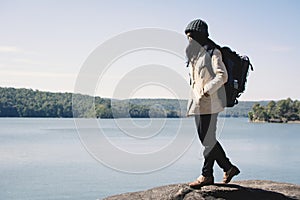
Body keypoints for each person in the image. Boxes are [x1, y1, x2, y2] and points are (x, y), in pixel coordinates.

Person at [185, 19, 240, 189]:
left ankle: (207, 174)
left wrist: (206, 90)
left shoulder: (213, 52)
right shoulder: (194, 55)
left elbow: (222, 76)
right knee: (207, 139)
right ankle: (227, 168)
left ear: (199, 35)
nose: (189, 39)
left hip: (210, 102)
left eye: (191, 35)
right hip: (197, 103)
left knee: (207, 140)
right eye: (187, 36)